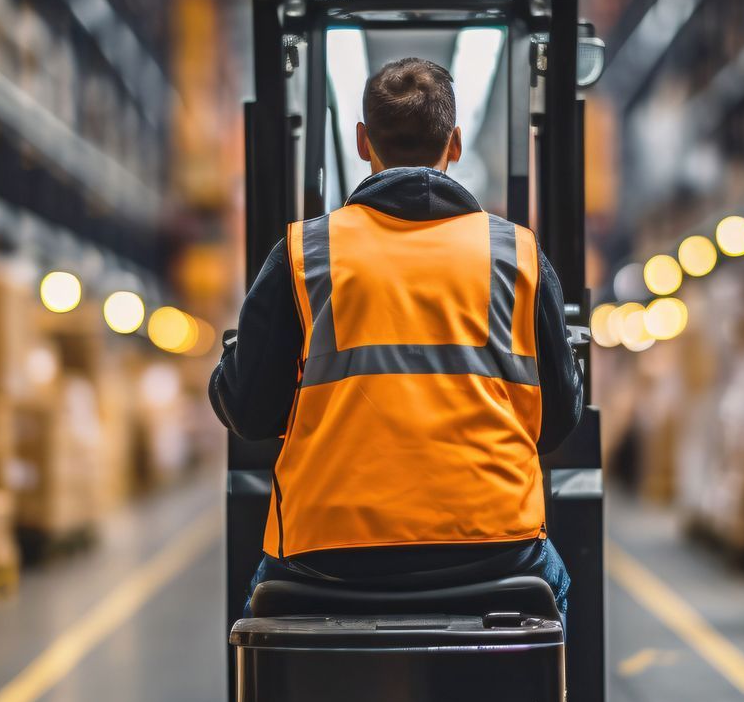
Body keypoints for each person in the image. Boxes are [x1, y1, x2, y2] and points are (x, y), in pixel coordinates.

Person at [211, 55, 584, 624]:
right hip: (493, 549)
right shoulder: (518, 256)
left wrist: (232, 366)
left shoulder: (306, 255)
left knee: (256, 617)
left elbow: (251, 412)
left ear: (363, 141)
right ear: (454, 143)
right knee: (554, 585)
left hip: (327, 557)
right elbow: (558, 420)